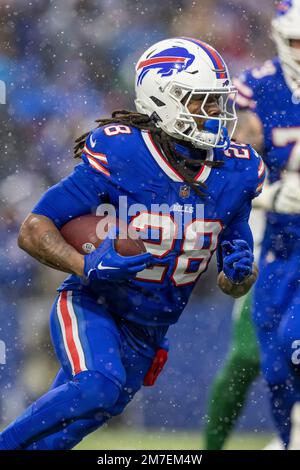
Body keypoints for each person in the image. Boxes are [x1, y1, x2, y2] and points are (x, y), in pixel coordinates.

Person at [0, 37, 264, 450]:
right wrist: (85, 265)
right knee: (98, 387)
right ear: (163, 99)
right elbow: (35, 228)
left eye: (217, 102)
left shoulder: (237, 171)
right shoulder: (123, 151)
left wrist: (241, 274)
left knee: (73, 424)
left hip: (152, 328)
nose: (215, 114)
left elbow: (235, 282)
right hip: (95, 304)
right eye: (201, 102)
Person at [205, 0, 300, 450]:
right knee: (264, 359)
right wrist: (273, 194)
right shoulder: (256, 88)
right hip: (274, 238)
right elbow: (232, 166)